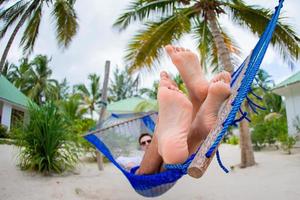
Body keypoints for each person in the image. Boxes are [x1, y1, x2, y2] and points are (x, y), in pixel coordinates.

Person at [135, 45, 232, 175]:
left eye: (148, 140)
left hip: (166, 157)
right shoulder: (132, 159)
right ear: (140, 147)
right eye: (144, 143)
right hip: (162, 160)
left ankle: (190, 123)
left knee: (157, 163)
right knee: (146, 171)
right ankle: (195, 109)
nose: (146, 144)